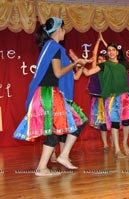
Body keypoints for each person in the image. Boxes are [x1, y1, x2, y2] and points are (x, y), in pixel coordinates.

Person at [13, 17, 91, 176]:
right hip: (48, 92)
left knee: (79, 120)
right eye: (64, 28)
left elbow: (69, 76)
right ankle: (43, 167)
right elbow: (58, 72)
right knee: (56, 129)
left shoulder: (51, 47)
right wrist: (75, 64)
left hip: (50, 92)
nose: (65, 32)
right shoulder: (54, 47)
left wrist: (78, 65)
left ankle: (62, 156)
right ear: (58, 30)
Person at [82, 43, 129, 158]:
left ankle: (125, 143)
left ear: (117, 52)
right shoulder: (104, 65)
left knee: (126, 122)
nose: (111, 52)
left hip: (125, 97)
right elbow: (87, 73)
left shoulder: (123, 64)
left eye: (113, 50)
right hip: (111, 98)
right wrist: (80, 64)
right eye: (109, 50)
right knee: (115, 123)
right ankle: (117, 150)